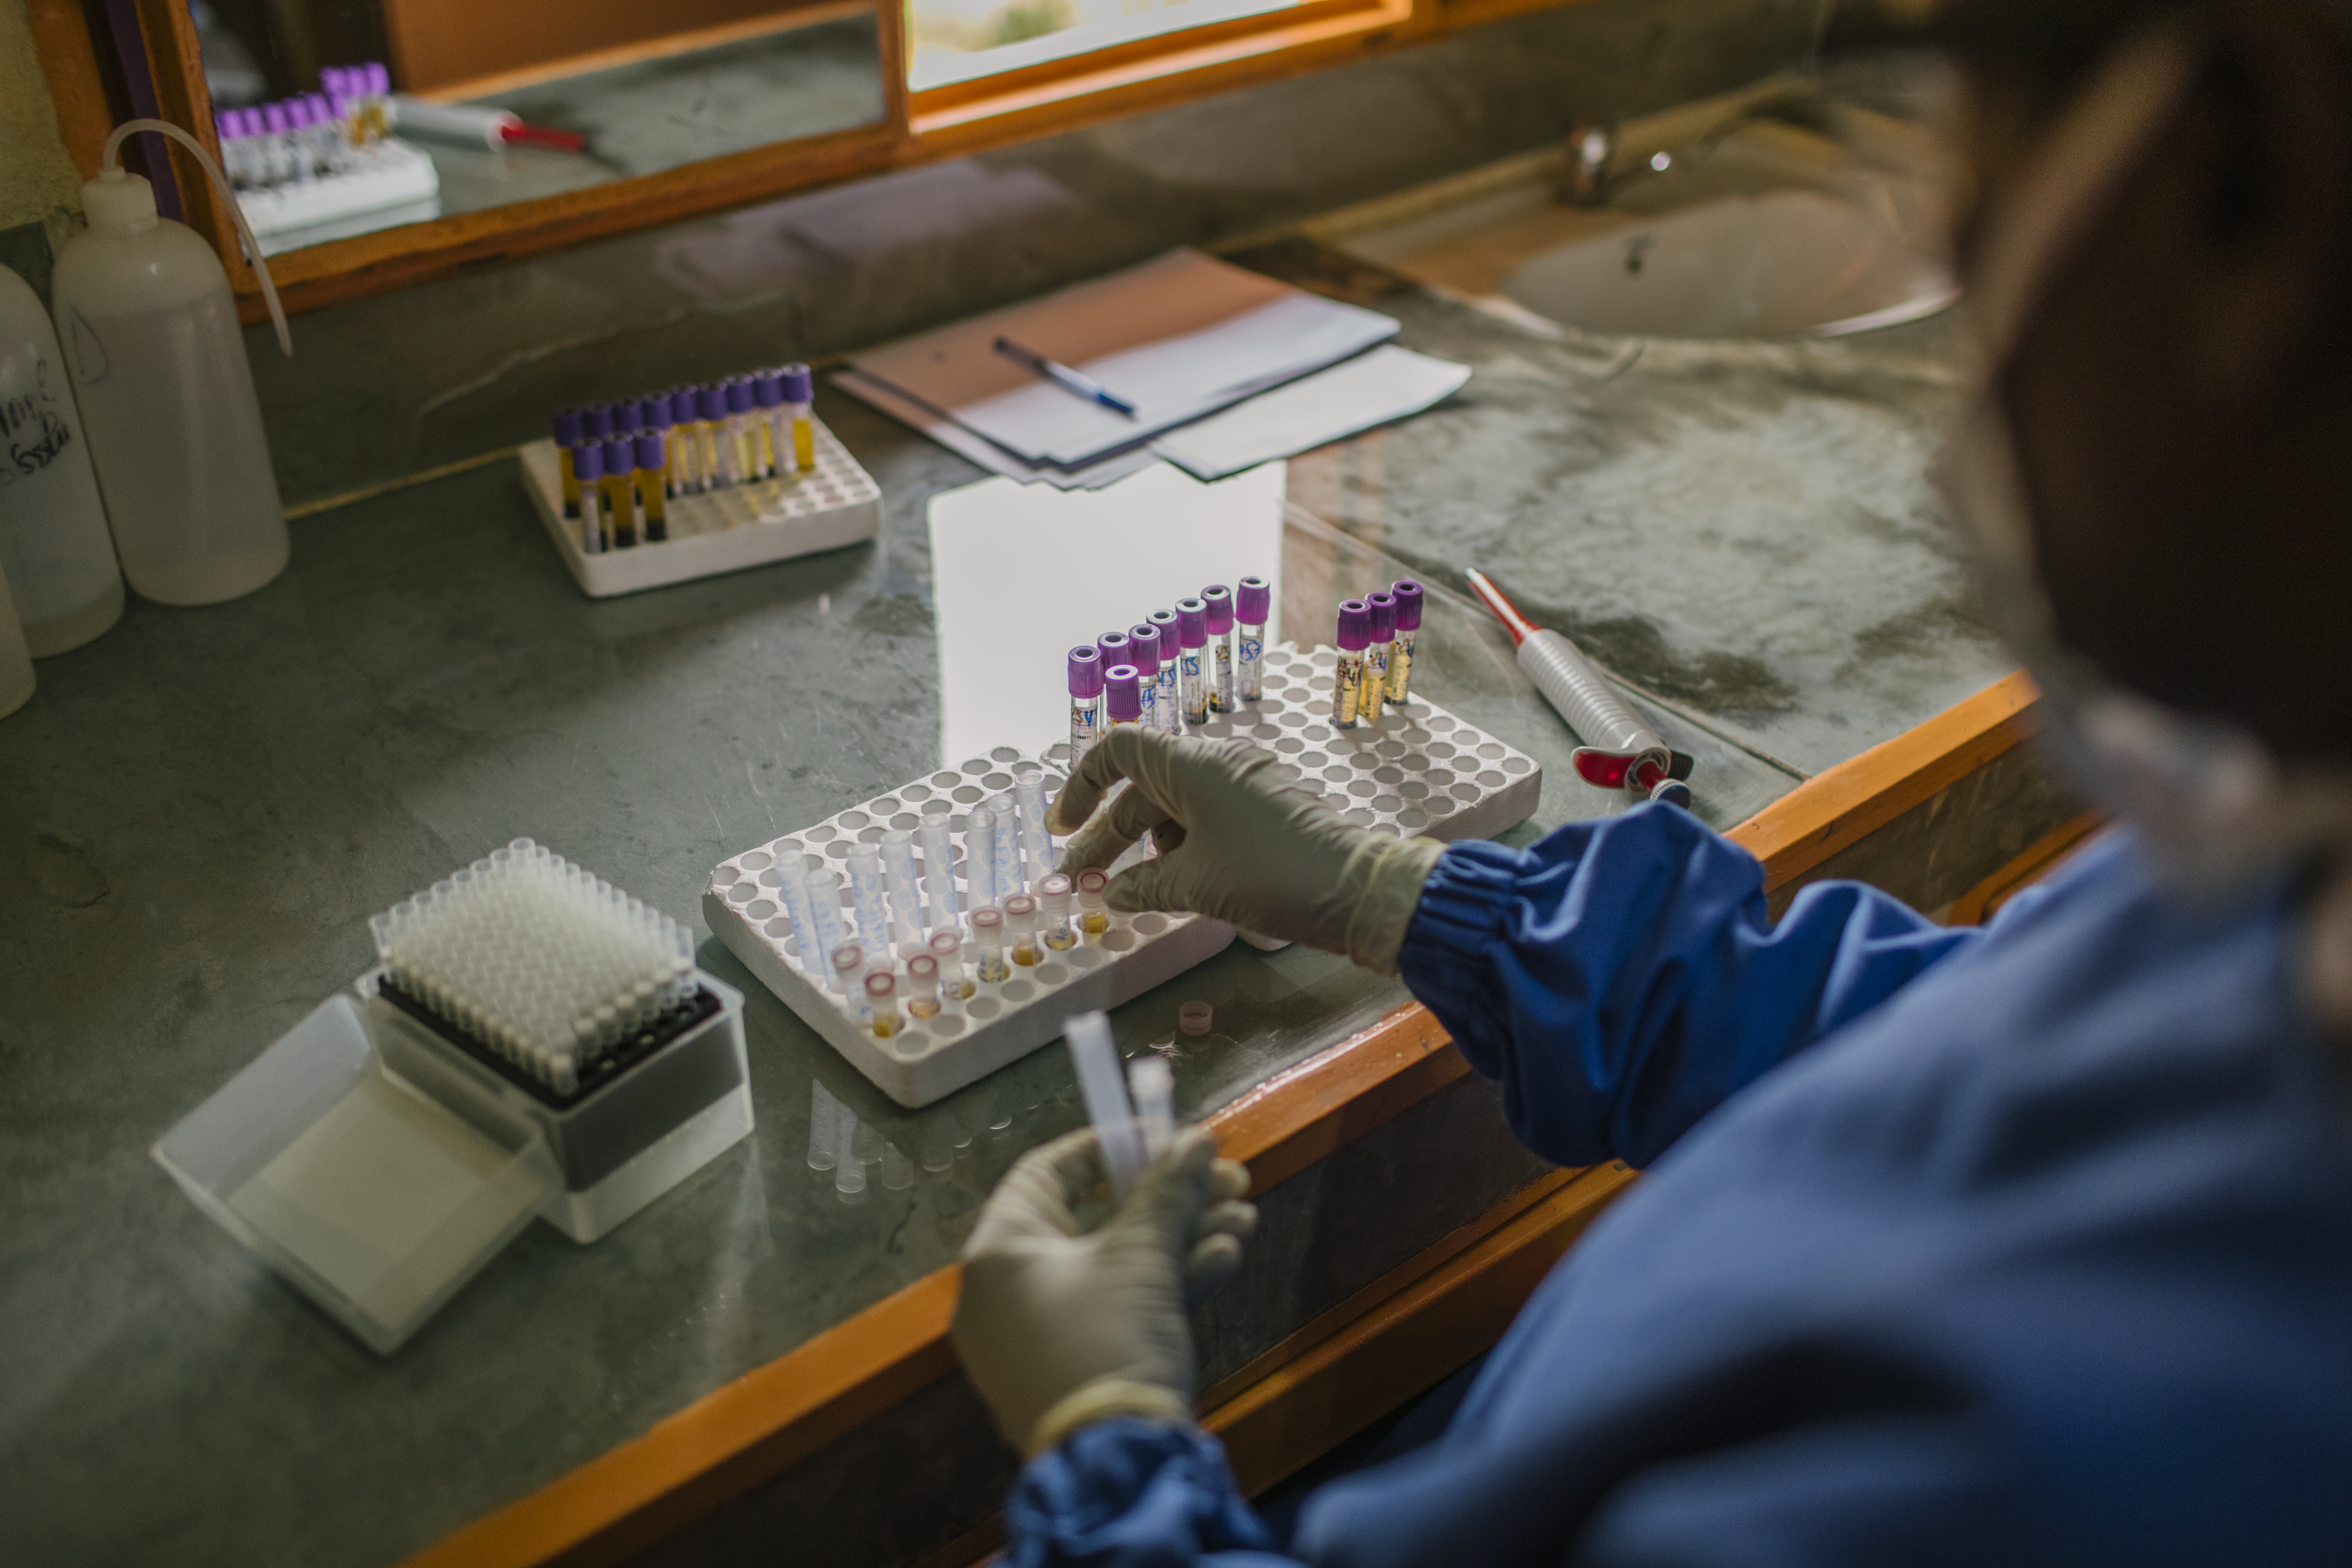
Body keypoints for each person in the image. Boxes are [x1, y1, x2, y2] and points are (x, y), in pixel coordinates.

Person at [950, 0, 2352, 1561]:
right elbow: (1923, 1046)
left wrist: (1106, 1455)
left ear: (2250, 183)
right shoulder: (2276, 891)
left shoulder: (2105, 1464)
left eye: (1983, 190)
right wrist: (1416, 895)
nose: (1970, 362)